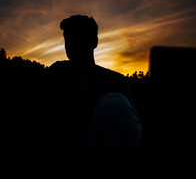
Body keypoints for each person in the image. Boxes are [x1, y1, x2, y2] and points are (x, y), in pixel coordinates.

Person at [45, 15, 142, 170]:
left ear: (94, 42)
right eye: (68, 40)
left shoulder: (116, 81)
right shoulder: (58, 72)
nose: (72, 46)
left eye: (78, 39)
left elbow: (131, 131)